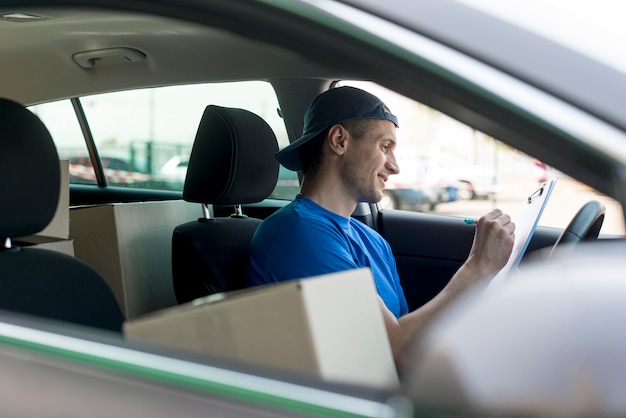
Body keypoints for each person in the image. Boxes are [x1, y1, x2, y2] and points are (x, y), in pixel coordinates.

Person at [247, 86, 515, 365]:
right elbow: (392, 351)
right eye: (385, 147)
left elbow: (404, 336)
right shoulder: (297, 234)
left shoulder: (372, 241)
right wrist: (478, 268)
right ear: (339, 141)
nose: (395, 166)